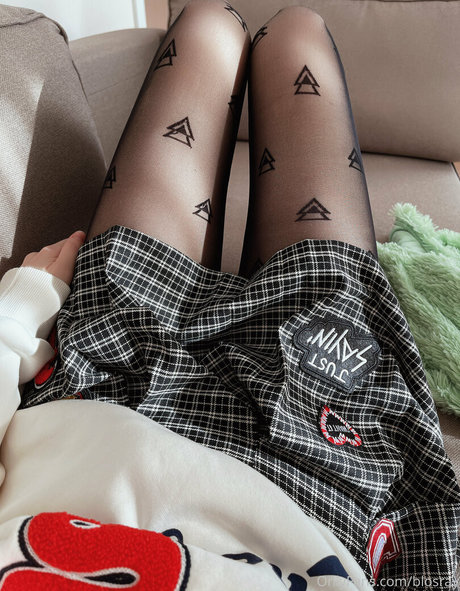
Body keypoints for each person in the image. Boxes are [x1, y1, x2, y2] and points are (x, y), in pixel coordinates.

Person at [0, 1, 458, 588]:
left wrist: (18, 315)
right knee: (297, 32)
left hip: (110, 378)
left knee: (209, 26)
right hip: (321, 465)